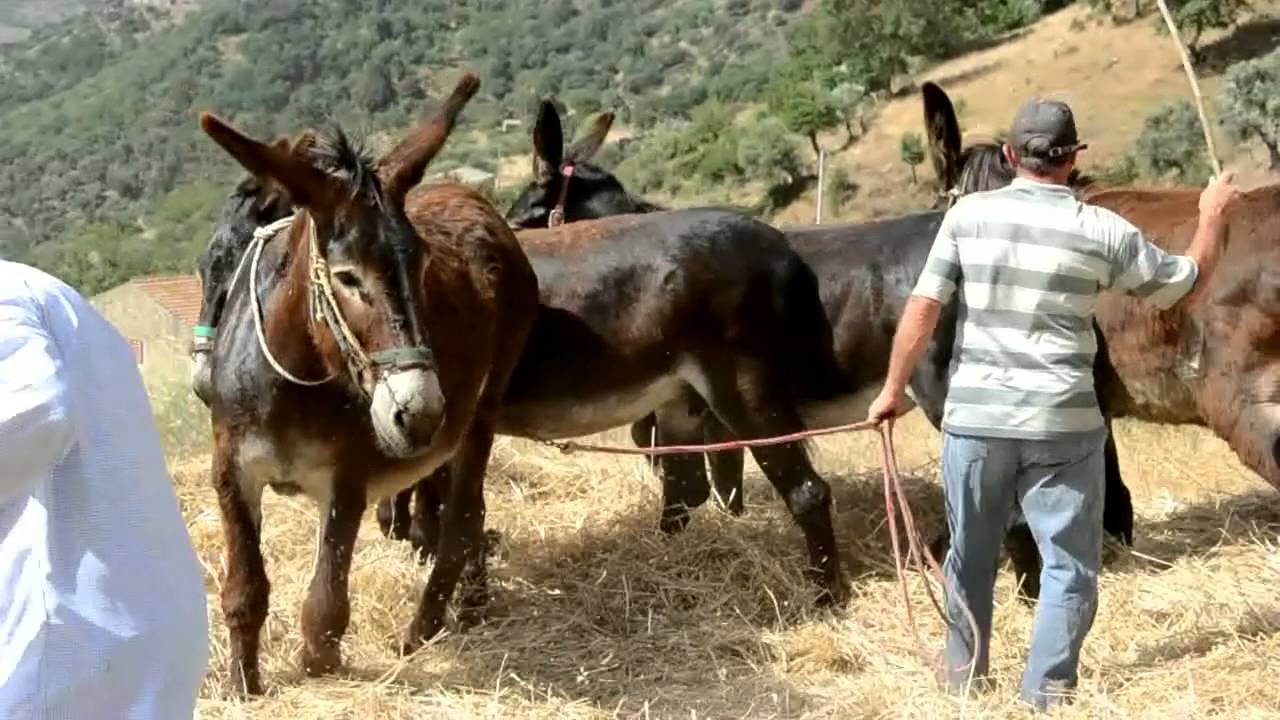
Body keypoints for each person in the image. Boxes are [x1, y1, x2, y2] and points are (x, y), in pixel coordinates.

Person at [866, 97, 1238, 710]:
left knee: (969, 558)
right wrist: (1211, 216)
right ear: (1074, 159)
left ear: (1011, 156)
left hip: (977, 423)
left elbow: (924, 308)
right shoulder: (1101, 228)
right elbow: (1179, 287)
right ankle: (1047, 693)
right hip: (1064, 427)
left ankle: (963, 683)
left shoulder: (967, 217)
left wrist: (890, 391)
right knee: (1069, 566)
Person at [1, 259, 210, 717]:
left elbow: (37, 414)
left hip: (62, 644)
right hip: (131, 628)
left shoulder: (5, 295)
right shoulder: (55, 300)